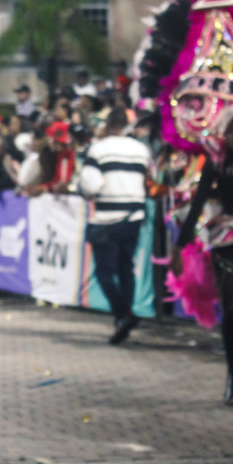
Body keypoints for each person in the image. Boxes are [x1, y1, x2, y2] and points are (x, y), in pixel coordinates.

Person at [171, 109, 233, 406]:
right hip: (227, 242)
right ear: (226, 134)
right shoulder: (216, 162)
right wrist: (179, 246)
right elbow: (198, 203)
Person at [79, 107, 151, 345]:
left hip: (107, 219)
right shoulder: (141, 149)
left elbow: (91, 185)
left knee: (104, 272)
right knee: (125, 269)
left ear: (108, 124)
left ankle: (122, 315)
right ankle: (124, 317)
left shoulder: (99, 149)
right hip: (134, 216)